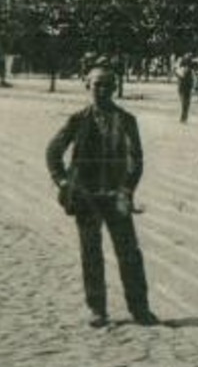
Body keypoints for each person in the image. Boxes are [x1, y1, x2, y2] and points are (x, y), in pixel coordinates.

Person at [45, 67, 159, 328]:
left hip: (115, 196)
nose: (103, 90)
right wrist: (63, 182)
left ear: (115, 88)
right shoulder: (78, 119)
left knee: (129, 253)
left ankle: (140, 309)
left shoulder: (126, 120)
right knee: (91, 253)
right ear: (88, 87)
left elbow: (136, 160)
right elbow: (53, 152)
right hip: (86, 198)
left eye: (108, 85)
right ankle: (97, 309)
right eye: (97, 85)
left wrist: (127, 190)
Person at [175, 56, 194, 123]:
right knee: (185, 103)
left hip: (184, 88)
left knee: (186, 103)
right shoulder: (183, 70)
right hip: (184, 88)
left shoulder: (187, 71)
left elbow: (191, 80)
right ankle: (184, 117)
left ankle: (184, 117)